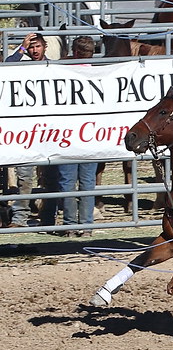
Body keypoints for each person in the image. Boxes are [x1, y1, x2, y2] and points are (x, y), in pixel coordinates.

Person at [43, 36, 99, 236]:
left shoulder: (62, 71)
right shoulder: (100, 73)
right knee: (87, 182)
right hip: (91, 134)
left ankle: (69, 225)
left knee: (67, 181)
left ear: (74, 52)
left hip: (66, 134)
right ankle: (86, 226)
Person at [3, 33, 48, 227]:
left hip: (54, 129)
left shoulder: (54, 67)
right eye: (31, 47)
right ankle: (20, 217)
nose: (34, 50)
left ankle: (48, 216)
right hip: (28, 130)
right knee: (25, 175)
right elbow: (7, 64)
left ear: (45, 47)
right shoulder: (22, 66)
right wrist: (21, 48)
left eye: (37, 46)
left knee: (53, 176)